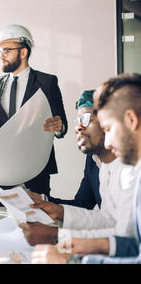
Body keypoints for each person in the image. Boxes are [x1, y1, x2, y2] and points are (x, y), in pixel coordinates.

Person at [32, 73, 141, 264]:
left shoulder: (131, 170)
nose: (107, 143)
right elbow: (125, 237)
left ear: (131, 120)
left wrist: (71, 256)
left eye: (107, 129)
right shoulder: (122, 167)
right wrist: (66, 243)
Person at [0, 24, 68, 204]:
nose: (1, 56)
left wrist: (59, 128)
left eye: (6, 50)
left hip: (36, 166)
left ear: (23, 52)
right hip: (2, 166)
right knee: (0, 214)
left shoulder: (47, 82)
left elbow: (61, 123)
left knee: (37, 215)